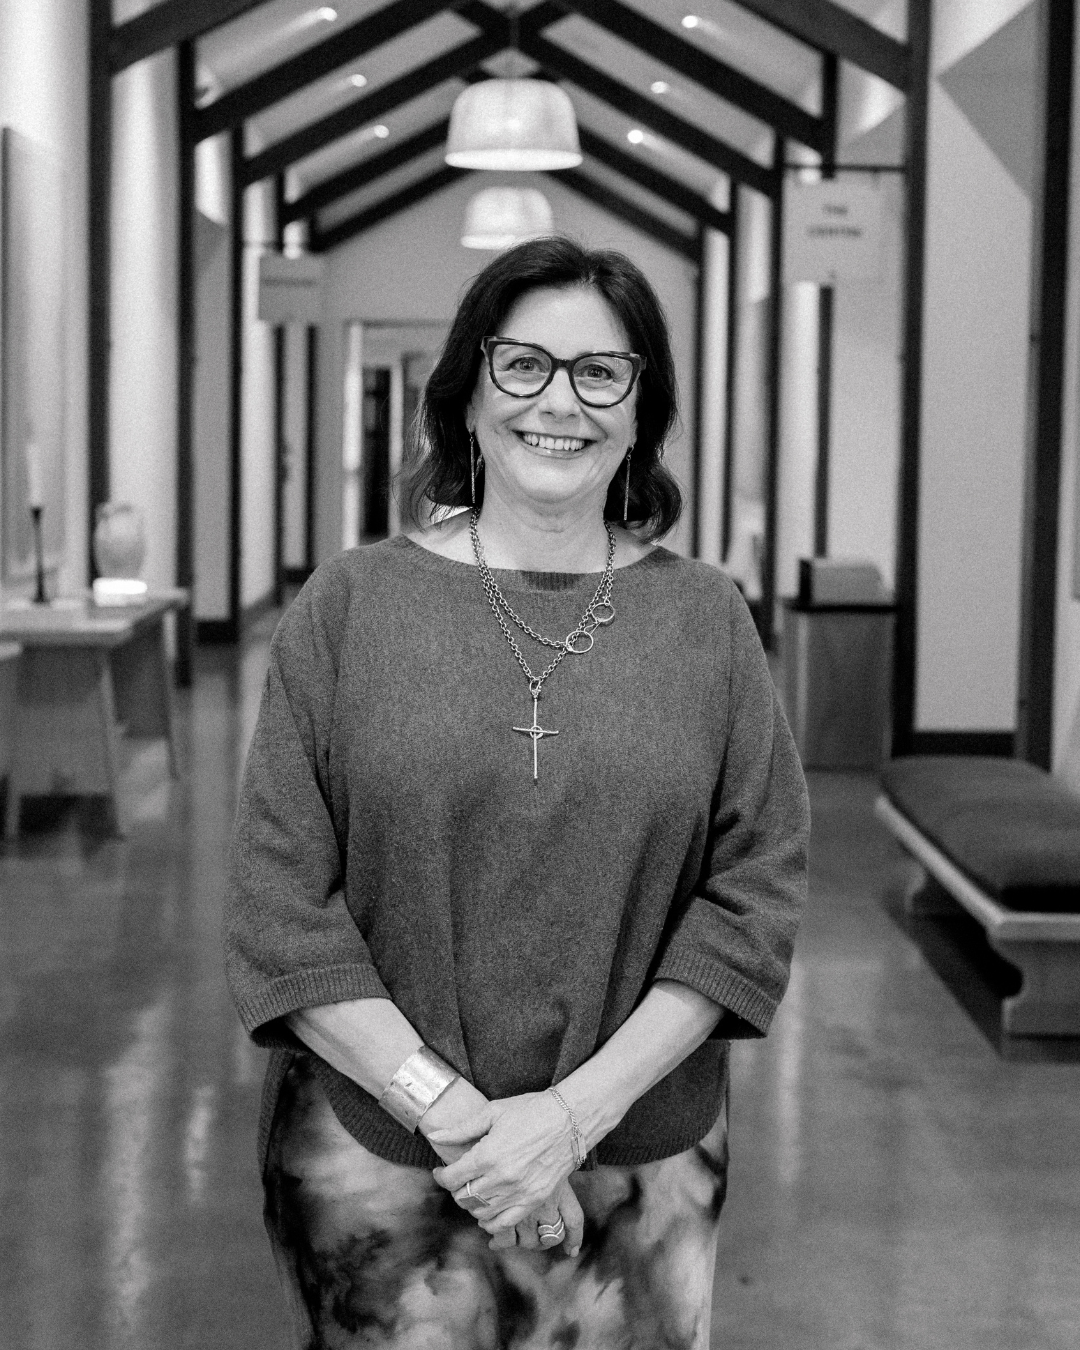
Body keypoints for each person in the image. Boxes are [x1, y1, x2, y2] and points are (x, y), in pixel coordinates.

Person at [224, 235, 809, 1349]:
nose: (562, 402)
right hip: (377, 1165)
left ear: (642, 411)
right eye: (523, 364)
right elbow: (279, 909)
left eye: (602, 371)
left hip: (642, 1168)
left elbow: (754, 900)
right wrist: (458, 1119)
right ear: (468, 394)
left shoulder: (707, 623)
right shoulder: (350, 609)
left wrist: (572, 1120)